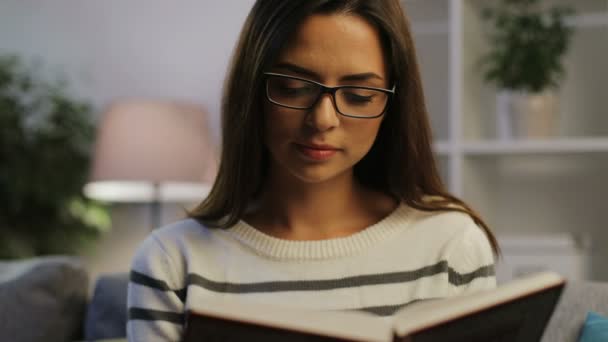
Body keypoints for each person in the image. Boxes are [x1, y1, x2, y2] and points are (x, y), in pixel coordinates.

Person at [127, 0, 499, 340]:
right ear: (253, 89)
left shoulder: (451, 248)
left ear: (392, 106)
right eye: (293, 88)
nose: (323, 119)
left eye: (358, 96)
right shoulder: (172, 261)